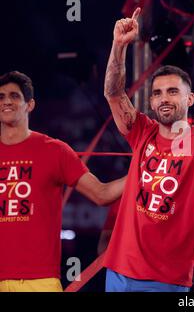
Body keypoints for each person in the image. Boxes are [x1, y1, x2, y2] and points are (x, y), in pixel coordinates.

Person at [101, 8, 194, 292]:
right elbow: (113, 93)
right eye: (157, 93)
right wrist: (119, 46)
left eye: (173, 91)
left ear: (190, 98)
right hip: (120, 271)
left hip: (168, 279)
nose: (163, 99)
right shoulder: (141, 131)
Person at [0, 71, 125, 292]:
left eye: (14, 96)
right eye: (0, 97)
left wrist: (146, 169)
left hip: (39, 282)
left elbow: (101, 194)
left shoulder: (54, 150)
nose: (7, 101)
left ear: (30, 105)